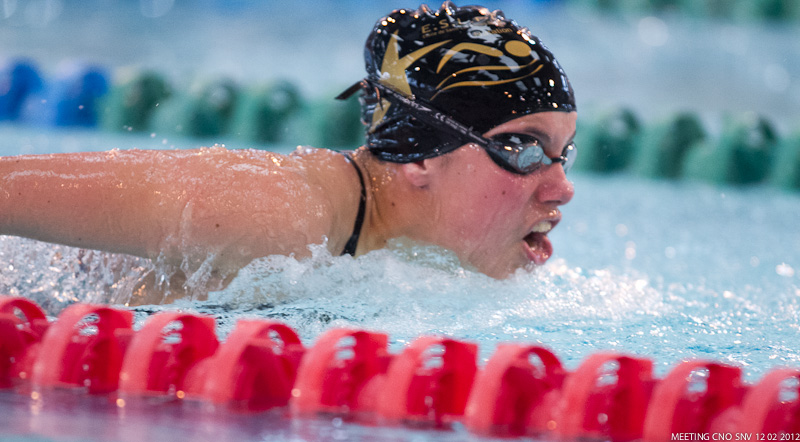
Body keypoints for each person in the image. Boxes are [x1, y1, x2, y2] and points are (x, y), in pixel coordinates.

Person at [0, 2, 576, 301]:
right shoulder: (279, 211)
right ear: (422, 154)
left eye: (563, 154)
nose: (562, 188)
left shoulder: (395, 253)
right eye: (522, 147)